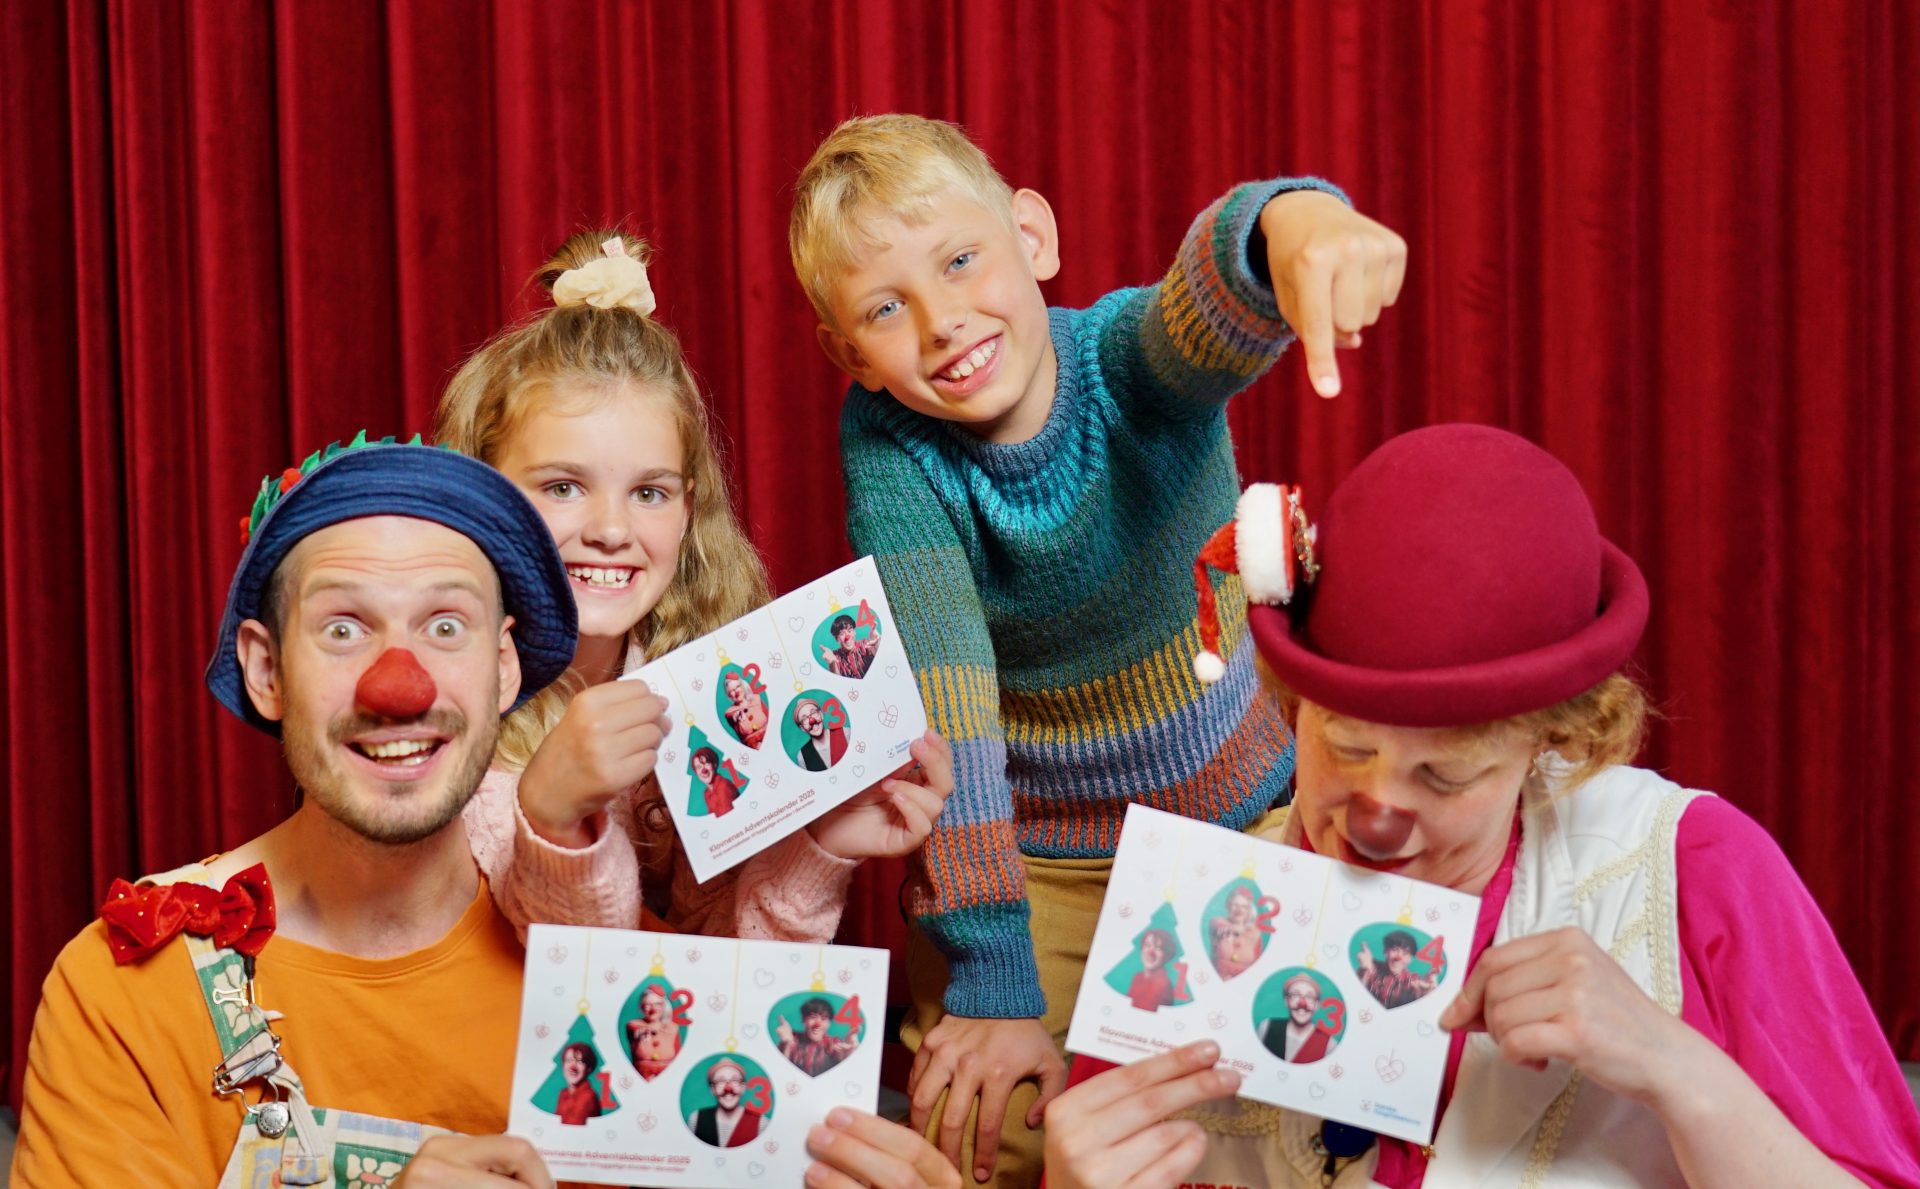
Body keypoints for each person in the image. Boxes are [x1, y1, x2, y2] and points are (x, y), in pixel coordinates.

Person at [1049, 424, 1920, 1187]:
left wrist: (1676, 1068)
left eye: (1447, 775)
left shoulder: (1691, 868)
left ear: (1552, 741)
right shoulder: (1193, 922)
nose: (1375, 814)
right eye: (1346, 746)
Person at [787, 111, 1407, 1182]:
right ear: (853, 356)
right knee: (989, 1123)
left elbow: (1209, 300)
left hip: (1251, 810)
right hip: (1042, 857)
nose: (941, 322)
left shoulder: (1126, 361)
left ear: (1033, 237)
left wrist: (1292, 228)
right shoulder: (892, 450)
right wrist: (994, 977)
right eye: (888, 309)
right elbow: (950, 702)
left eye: (962, 260)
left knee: (1315, 1115)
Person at [15, 437, 579, 1186]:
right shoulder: (124, 989)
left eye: (445, 625)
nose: (399, 686)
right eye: (343, 628)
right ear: (267, 669)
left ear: (503, 666)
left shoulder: (620, 973)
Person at [433, 229, 954, 942]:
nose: (612, 529)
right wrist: (553, 819)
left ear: (690, 510)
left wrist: (819, 847)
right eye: (563, 485)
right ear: (483, 496)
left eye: (648, 492)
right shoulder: (442, 710)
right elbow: (584, 993)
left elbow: (722, 1005)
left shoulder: (717, 692)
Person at [1257, 973, 1338, 1064]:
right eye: (1295, 994)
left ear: (1317, 1005)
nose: (1302, 1003)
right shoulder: (1266, 1027)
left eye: (1309, 996)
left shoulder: (1329, 1044)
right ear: (1286, 1001)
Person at [687, 1058, 761, 1148]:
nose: (728, 1088)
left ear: (743, 1087)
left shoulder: (761, 1123)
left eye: (735, 1080)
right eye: (720, 1081)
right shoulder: (696, 1119)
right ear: (712, 1089)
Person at [777, 996, 859, 1076]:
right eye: (813, 1017)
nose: (818, 1024)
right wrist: (786, 1044)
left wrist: (849, 1055)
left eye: (824, 1019)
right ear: (803, 1019)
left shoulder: (834, 1043)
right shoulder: (792, 1039)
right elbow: (780, 1072)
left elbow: (845, 1073)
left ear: (829, 1023)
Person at [1355, 930, 1434, 1009]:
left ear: (1410, 959)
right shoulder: (1371, 967)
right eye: (1395, 949)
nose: (1399, 957)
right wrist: (1364, 970)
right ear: (1385, 951)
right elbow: (1356, 997)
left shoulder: (1414, 980)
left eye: (1405, 953)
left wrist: (1425, 996)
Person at [627, 983, 680, 1080]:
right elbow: (636, 1030)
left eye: (658, 1004)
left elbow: (679, 1057)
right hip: (643, 1076)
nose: (653, 1009)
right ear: (641, 1007)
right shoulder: (634, 1025)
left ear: (664, 1006)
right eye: (647, 1005)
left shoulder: (672, 1028)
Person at [1206, 885, 1262, 978]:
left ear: (1249, 910)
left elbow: (1258, 967)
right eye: (1235, 905)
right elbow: (1217, 923)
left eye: (1244, 906)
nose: (1239, 910)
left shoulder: (1255, 932)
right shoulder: (1218, 924)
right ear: (1228, 906)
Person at [1125, 929, 1181, 1013]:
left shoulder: (1163, 985)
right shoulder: (1138, 977)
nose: (1150, 952)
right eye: (1147, 945)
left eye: (1158, 948)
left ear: (1167, 955)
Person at [793, 696, 849, 771]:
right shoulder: (802, 757)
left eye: (813, 712)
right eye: (804, 719)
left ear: (821, 715)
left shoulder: (846, 733)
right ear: (803, 728)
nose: (811, 720)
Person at [555, 1042, 603, 1126]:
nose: (573, 1066)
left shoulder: (588, 1097)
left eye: (580, 1061)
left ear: (588, 1068)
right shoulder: (564, 1094)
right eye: (569, 1060)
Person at [820, 612, 882, 678]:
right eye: (842, 633)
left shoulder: (865, 644)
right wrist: (832, 664)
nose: (847, 636)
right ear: (837, 639)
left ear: (854, 632)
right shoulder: (835, 657)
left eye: (849, 630)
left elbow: (880, 659)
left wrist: (877, 643)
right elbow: (836, 682)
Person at [723, 670, 770, 748]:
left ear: (742, 686)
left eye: (737, 686)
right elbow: (732, 717)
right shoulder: (730, 712)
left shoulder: (756, 698)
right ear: (729, 695)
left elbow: (770, 718)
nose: (736, 691)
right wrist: (736, 716)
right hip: (753, 747)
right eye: (732, 691)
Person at [690, 745, 739, 817]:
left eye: (706, 763)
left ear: (714, 765)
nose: (703, 770)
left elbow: (728, 819)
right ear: (696, 773)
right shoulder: (707, 793)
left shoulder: (723, 786)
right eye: (699, 767)